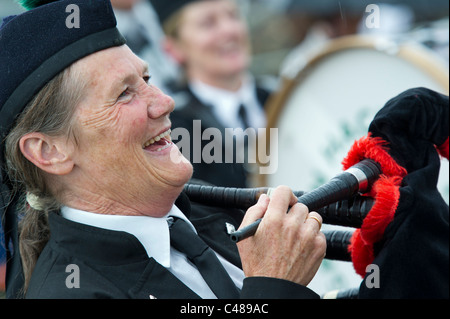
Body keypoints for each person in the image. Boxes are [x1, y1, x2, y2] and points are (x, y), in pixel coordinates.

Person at [0, 0, 325, 299]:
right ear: (49, 151)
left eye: (147, 78)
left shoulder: (206, 213)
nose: (164, 102)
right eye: (124, 93)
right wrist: (273, 286)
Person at [151, 0, 271, 188]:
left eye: (234, 15)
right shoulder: (174, 136)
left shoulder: (285, 99)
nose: (229, 29)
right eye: (208, 23)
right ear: (173, 48)